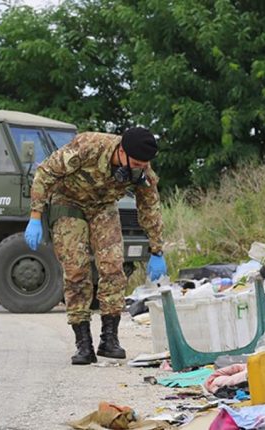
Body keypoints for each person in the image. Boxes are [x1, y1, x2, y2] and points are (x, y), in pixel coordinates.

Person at [24, 128, 167, 365]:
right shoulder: (89, 146)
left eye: (144, 164)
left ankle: (109, 339)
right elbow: (46, 172)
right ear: (121, 151)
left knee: (113, 267)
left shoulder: (142, 170)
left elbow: (150, 208)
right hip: (68, 201)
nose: (139, 168)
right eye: (135, 163)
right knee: (76, 269)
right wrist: (35, 216)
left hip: (103, 206)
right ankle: (83, 344)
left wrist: (157, 250)